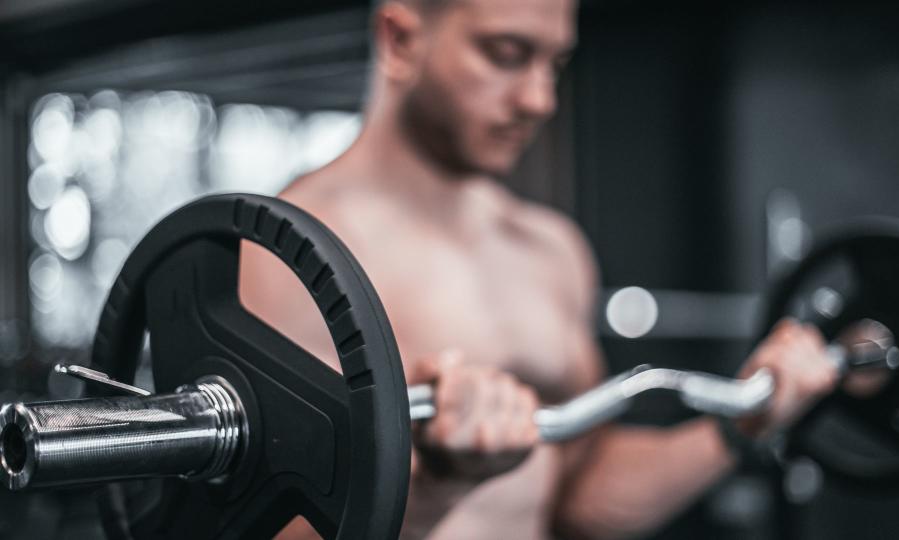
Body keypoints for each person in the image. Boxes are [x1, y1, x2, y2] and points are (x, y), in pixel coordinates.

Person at [239, 0, 841, 538]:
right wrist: (439, 484)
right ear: (400, 41)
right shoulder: (291, 253)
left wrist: (743, 425)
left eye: (554, 64)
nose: (540, 99)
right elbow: (266, 527)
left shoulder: (550, 249)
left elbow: (581, 498)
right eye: (506, 55)